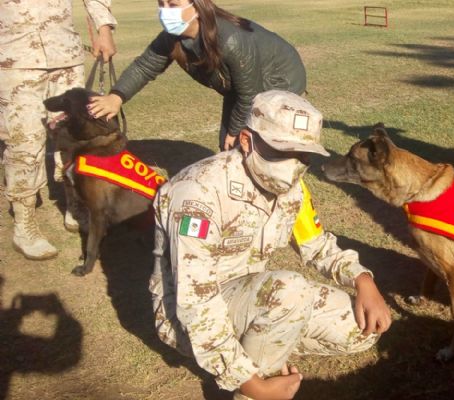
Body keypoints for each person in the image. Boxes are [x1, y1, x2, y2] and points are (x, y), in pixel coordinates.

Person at [150, 90, 391, 400]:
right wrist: (254, 385)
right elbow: (196, 302)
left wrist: (362, 279)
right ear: (247, 140)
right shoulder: (198, 193)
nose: (294, 164)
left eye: (303, 154)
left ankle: (263, 343)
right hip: (185, 315)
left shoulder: (290, 187)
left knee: (359, 328)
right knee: (289, 291)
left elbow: (317, 245)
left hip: (249, 298)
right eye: (282, 150)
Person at [88, 0, 306, 151]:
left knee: (260, 145)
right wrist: (116, 96)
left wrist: (235, 131)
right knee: (229, 147)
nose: (165, 11)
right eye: (161, 4)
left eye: (173, 5)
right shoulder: (171, 37)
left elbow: (250, 94)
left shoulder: (230, 40)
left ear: (198, 6)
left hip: (279, 80)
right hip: (241, 88)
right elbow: (145, 66)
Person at [0, 0, 117, 260]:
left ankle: (76, 206)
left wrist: (104, 29)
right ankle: (24, 224)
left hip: (65, 55)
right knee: (24, 141)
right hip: (15, 58)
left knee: (76, 139)